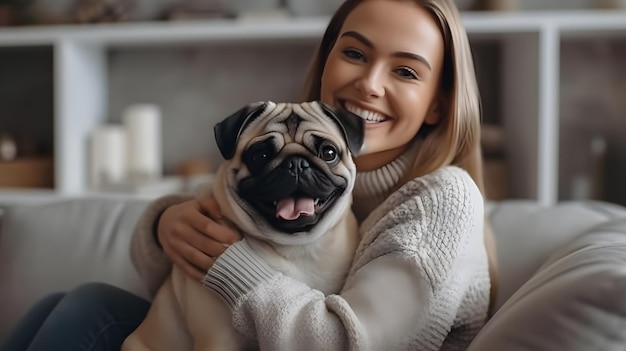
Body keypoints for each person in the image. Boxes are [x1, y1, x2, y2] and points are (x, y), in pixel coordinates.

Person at [1, 0, 498, 350]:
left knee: (89, 308)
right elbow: (181, 293)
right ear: (326, 62)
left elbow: (348, 343)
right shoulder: (304, 156)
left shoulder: (440, 202)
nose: (369, 83)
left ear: (439, 103)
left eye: (406, 71)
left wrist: (232, 264)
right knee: (64, 303)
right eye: (354, 53)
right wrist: (166, 226)